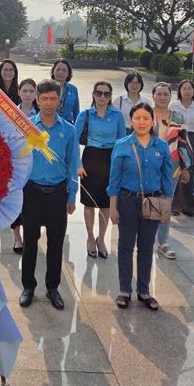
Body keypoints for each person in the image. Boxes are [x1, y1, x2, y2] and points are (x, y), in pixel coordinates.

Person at [19, 79, 79, 311]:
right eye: (44, 98)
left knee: (56, 243)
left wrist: (72, 196)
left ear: (59, 100)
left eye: (53, 98)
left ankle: (53, 287)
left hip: (57, 193)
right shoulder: (27, 128)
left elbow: (73, 164)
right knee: (30, 242)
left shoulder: (68, 130)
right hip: (31, 192)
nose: (48, 103)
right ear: (37, 99)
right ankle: (28, 287)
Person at [108, 103, 175, 311]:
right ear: (131, 120)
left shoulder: (162, 146)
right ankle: (124, 290)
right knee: (126, 246)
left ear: (153, 121)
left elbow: (167, 179)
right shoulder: (122, 145)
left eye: (146, 118)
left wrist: (167, 206)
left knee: (147, 247)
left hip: (154, 202)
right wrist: (113, 206)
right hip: (128, 201)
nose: (142, 122)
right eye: (137, 118)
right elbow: (115, 177)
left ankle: (144, 290)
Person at [74, 81, 125, 259]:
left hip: (110, 159)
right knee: (89, 203)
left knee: (105, 204)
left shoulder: (117, 116)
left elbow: (122, 142)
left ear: (110, 96)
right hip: (90, 158)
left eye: (106, 94)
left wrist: (120, 166)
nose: (102, 97)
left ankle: (101, 238)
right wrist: (78, 164)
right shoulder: (85, 114)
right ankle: (89, 237)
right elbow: (73, 141)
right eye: (99, 93)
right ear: (93, 94)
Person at [151, 82, 193, 261]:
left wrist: (185, 167)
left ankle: (163, 241)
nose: (162, 97)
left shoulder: (177, 117)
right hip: (148, 167)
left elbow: (183, 143)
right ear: (152, 95)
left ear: (170, 97)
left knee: (164, 205)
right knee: (148, 203)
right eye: (159, 94)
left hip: (172, 168)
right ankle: (146, 238)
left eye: (166, 94)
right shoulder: (145, 114)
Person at [9, 77, 38, 253]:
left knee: (30, 202)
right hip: (14, 163)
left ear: (36, 94)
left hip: (34, 164)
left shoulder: (41, 115)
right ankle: (17, 237)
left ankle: (29, 234)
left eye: (31, 91)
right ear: (19, 92)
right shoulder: (11, 113)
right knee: (14, 200)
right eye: (24, 91)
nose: (27, 94)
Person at [170, 78, 194, 217]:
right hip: (176, 139)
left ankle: (189, 206)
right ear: (179, 91)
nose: (187, 91)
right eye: (184, 88)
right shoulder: (173, 106)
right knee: (176, 170)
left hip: (191, 140)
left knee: (190, 171)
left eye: (190, 88)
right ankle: (175, 205)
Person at [50, 59, 80, 124]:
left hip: (68, 126)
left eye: (64, 70)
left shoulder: (73, 89)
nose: (61, 72)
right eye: (58, 69)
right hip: (48, 125)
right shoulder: (45, 87)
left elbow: (76, 112)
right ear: (53, 71)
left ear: (68, 73)